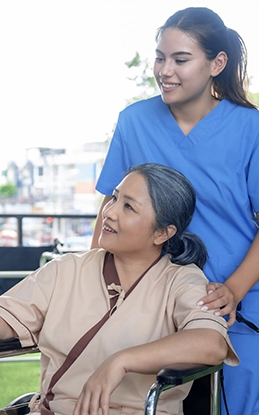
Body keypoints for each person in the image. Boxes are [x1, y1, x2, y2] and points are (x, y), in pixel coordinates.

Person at [0, 163, 238, 415]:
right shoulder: (67, 269)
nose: (111, 212)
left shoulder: (182, 281)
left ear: (162, 233)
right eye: (114, 198)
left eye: (128, 206)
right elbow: (5, 318)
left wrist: (121, 361)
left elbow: (210, 343)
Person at [91, 7, 259, 414]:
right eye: (160, 57)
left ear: (217, 63)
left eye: (180, 59)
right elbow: (109, 211)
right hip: (151, 299)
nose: (165, 70)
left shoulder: (250, 128)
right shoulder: (134, 122)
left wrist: (232, 291)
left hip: (238, 300)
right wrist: (94, 287)